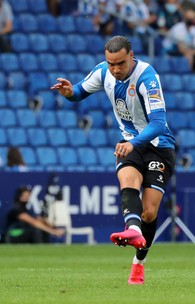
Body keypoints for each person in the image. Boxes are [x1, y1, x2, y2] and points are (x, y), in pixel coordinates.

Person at [51, 35, 176, 284]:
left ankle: (138, 264)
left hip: (158, 146)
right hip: (129, 144)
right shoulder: (103, 71)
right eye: (111, 64)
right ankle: (132, 230)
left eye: (120, 63)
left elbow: (159, 124)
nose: (116, 69)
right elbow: (78, 92)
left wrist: (132, 142)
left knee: (150, 212)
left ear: (131, 56)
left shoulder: (147, 78)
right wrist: (68, 92)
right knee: (127, 180)